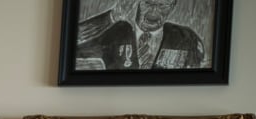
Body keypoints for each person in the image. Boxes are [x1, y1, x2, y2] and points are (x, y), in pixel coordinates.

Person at [75, 0, 205, 70]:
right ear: (137, 3)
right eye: (148, 3)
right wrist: (111, 17)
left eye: (163, 5)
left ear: (172, 6)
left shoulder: (185, 38)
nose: (154, 11)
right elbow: (70, 44)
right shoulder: (115, 32)